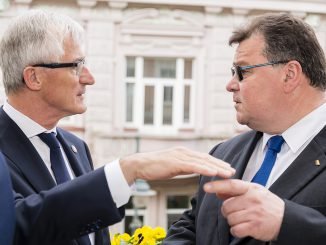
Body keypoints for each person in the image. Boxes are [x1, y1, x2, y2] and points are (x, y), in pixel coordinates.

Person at [0, 10, 235, 245]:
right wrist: (128, 169)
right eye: (76, 66)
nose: (89, 78)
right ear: (34, 77)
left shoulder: (75, 146)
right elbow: (18, 226)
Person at [163, 12, 326, 245]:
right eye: (232, 73)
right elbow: (190, 229)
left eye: (243, 71)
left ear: (290, 74)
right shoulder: (223, 154)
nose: (230, 85)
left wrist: (287, 223)